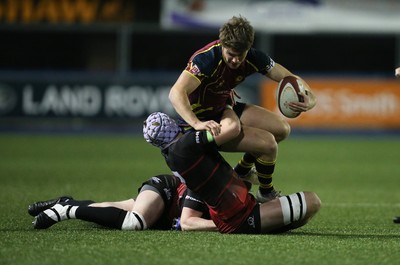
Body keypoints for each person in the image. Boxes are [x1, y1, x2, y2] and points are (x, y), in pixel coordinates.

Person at [168, 15, 317, 203]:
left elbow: (290, 78)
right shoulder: (206, 59)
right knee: (268, 144)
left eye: (241, 54)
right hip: (204, 124)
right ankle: (266, 193)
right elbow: (176, 93)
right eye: (231, 54)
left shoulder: (254, 58)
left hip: (224, 109)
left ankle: (242, 171)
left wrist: (311, 100)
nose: (236, 60)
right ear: (222, 45)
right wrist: (197, 124)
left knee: (282, 129)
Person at [143, 112, 321, 234]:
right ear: (170, 124)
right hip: (240, 218)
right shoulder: (186, 145)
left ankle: (260, 221)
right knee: (312, 201)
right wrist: (227, 105)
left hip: (237, 211)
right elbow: (232, 127)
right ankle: (254, 224)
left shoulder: (172, 155)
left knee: (302, 218)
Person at [29, 174, 217, 232]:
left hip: (168, 214)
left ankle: (68, 202)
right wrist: (224, 225)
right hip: (167, 193)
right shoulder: (212, 182)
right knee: (134, 222)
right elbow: (187, 223)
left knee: (105, 211)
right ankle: (65, 211)